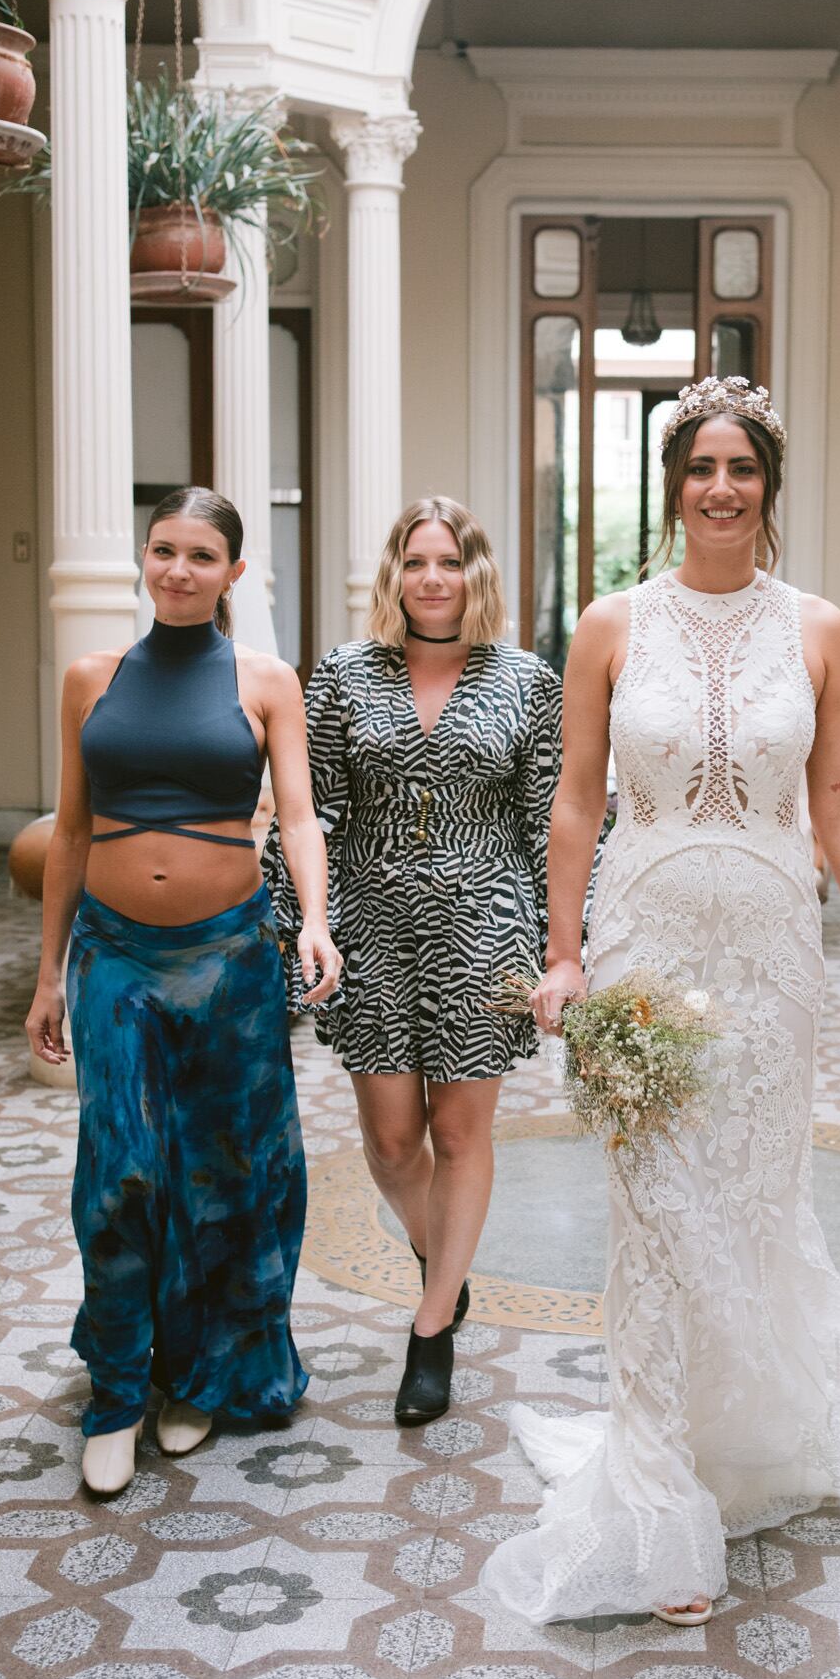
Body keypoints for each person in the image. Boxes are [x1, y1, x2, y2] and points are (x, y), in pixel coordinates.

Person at [480, 375, 840, 1628]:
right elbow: (572, 802)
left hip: (772, 948)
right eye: (700, 467)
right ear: (674, 488)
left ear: (769, 485)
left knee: (753, 1200)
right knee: (655, 1213)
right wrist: (562, 952)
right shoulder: (608, 624)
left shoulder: (818, 626)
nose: (721, 488)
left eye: (743, 468)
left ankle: (751, 1436)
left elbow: (834, 805)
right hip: (645, 939)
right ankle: (657, 1496)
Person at [24, 488, 340, 1497]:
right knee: (120, 1171)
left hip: (231, 957)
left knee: (225, 1172)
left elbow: (296, 817)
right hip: (113, 955)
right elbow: (71, 831)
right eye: (162, 549)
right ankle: (118, 1389)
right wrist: (47, 973)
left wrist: (317, 919)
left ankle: (200, 1374)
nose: (177, 569)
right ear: (143, 556)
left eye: (201, 555)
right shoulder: (91, 677)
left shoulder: (265, 678)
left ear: (233, 573)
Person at [264, 497, 561, 1428]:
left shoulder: (527, 680)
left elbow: (552, 823)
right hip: (371, 920)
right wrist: (299, 927)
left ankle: (430, 1330)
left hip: (488, 922)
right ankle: (448, 1263)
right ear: (394, 575)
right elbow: (308, 816)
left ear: (477, 575)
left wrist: (564, 949)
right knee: (394, 1141)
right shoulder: (345, 677)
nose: (433, 578)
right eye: (416, 562)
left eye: (451, 562)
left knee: (462, 1135)